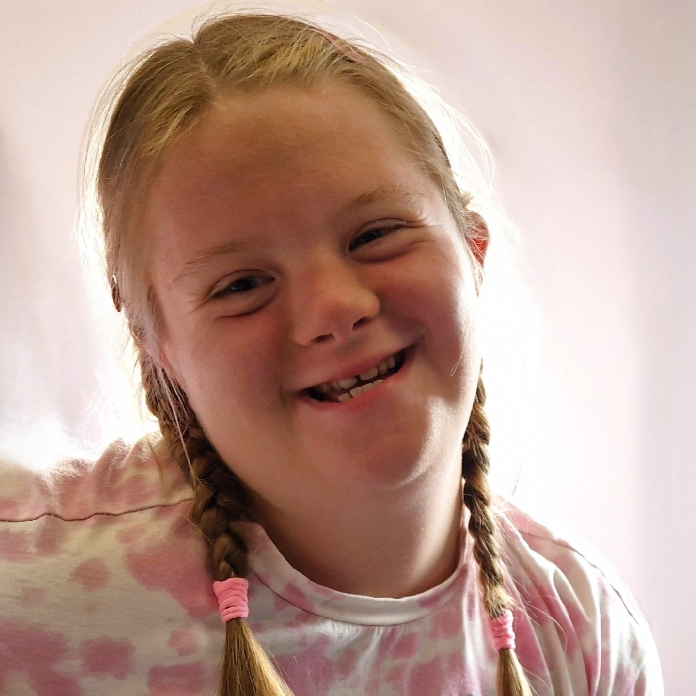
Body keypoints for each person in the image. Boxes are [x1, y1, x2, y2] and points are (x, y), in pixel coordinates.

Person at [0, 10, 662, 696]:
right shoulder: (27, 596)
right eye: (243, 285)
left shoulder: (579, 629)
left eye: (374, 235)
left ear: (473, 247)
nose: (333, 310)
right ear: (159, 346)